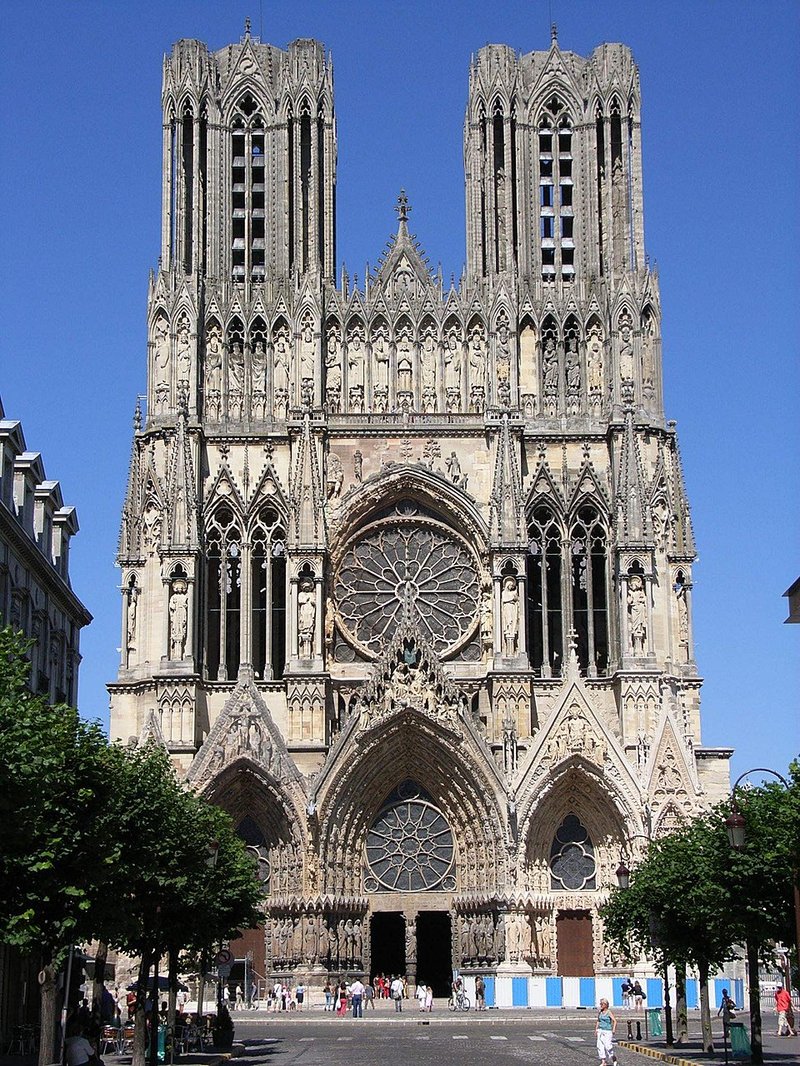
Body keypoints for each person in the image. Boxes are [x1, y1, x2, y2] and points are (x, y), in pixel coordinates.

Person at [595, 998, 618, 1066]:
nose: (600, 1005)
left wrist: (613, 1029)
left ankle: (614, 1058)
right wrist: (596, 1029)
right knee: (600, 1046)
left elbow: (615, 1021)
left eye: (602, 1004)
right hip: (600, 1030)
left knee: (608, 1046)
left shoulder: (609, 1012)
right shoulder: (600, 1012)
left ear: (606, 1005)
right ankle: (603, 1061)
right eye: (600, 1004)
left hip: (607, 1031)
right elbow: (598, 1020)